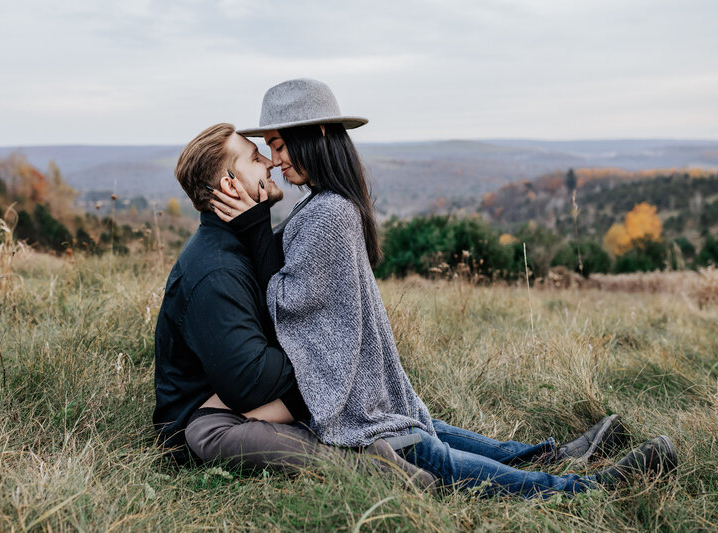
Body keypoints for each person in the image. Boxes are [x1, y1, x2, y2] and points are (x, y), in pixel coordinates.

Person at [208, 78, 678, 497]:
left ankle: (587, 489)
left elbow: (285, 302)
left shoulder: (327, 213)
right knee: (430, 434)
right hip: (362, 388)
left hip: (349, 402)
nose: (275, 160)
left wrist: (252, 229)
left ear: (319, 136)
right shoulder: (328, 204)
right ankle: (552, 457)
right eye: (269, 148)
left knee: (434, 455)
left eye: (280, 145)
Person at [152, 122, 436, 488]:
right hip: (204, 418)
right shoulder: (216, 271)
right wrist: (325, 364)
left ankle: (529, 463)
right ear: (230, 185)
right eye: (256, 158)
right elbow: (250, 382)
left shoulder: (245, 245)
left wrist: (329, 360)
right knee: (206, 430)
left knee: (423, 440)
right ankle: (361, 463)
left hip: (242, 405)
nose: (270, 163)